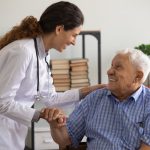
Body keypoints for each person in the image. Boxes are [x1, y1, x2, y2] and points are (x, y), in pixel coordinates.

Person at [0, 1, 105, 150]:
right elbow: (2, 102)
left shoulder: (42, 54)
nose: (74, 42)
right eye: (74, 35)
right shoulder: (23, 51)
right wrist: (41, 115)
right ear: (59, 29)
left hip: (12, 132)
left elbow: (51, 98)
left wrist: (88, 91)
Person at [46, 48, 150, 150]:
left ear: (138, 76)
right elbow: (66, 139)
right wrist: (56, 126)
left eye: (118, 67)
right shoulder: (94, 98)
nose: (109, 71)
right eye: (111, 66)